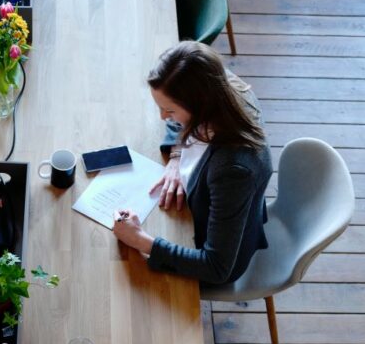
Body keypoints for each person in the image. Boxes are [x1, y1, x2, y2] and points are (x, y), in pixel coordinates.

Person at [112, 41, 272, 286]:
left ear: (200, 106)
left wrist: (140, 240)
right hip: (202, 210)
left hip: (214, 255)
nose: (163, 117)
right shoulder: (218, 85)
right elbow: (179, 123)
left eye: (169, 110)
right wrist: (177, 156)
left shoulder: (233, 171)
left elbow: (216, 267)